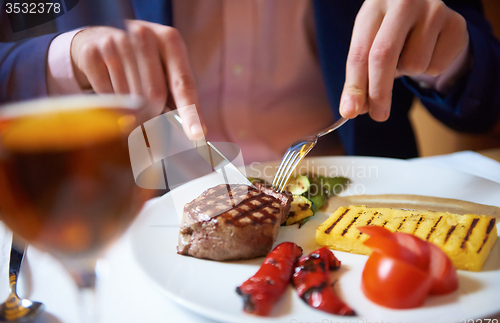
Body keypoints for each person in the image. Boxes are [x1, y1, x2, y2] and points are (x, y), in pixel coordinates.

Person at [1, 0, 499, 161]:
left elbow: (486, 97)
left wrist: (452, 53)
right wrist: (58, 58)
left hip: (358, 219)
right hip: (120, 219)